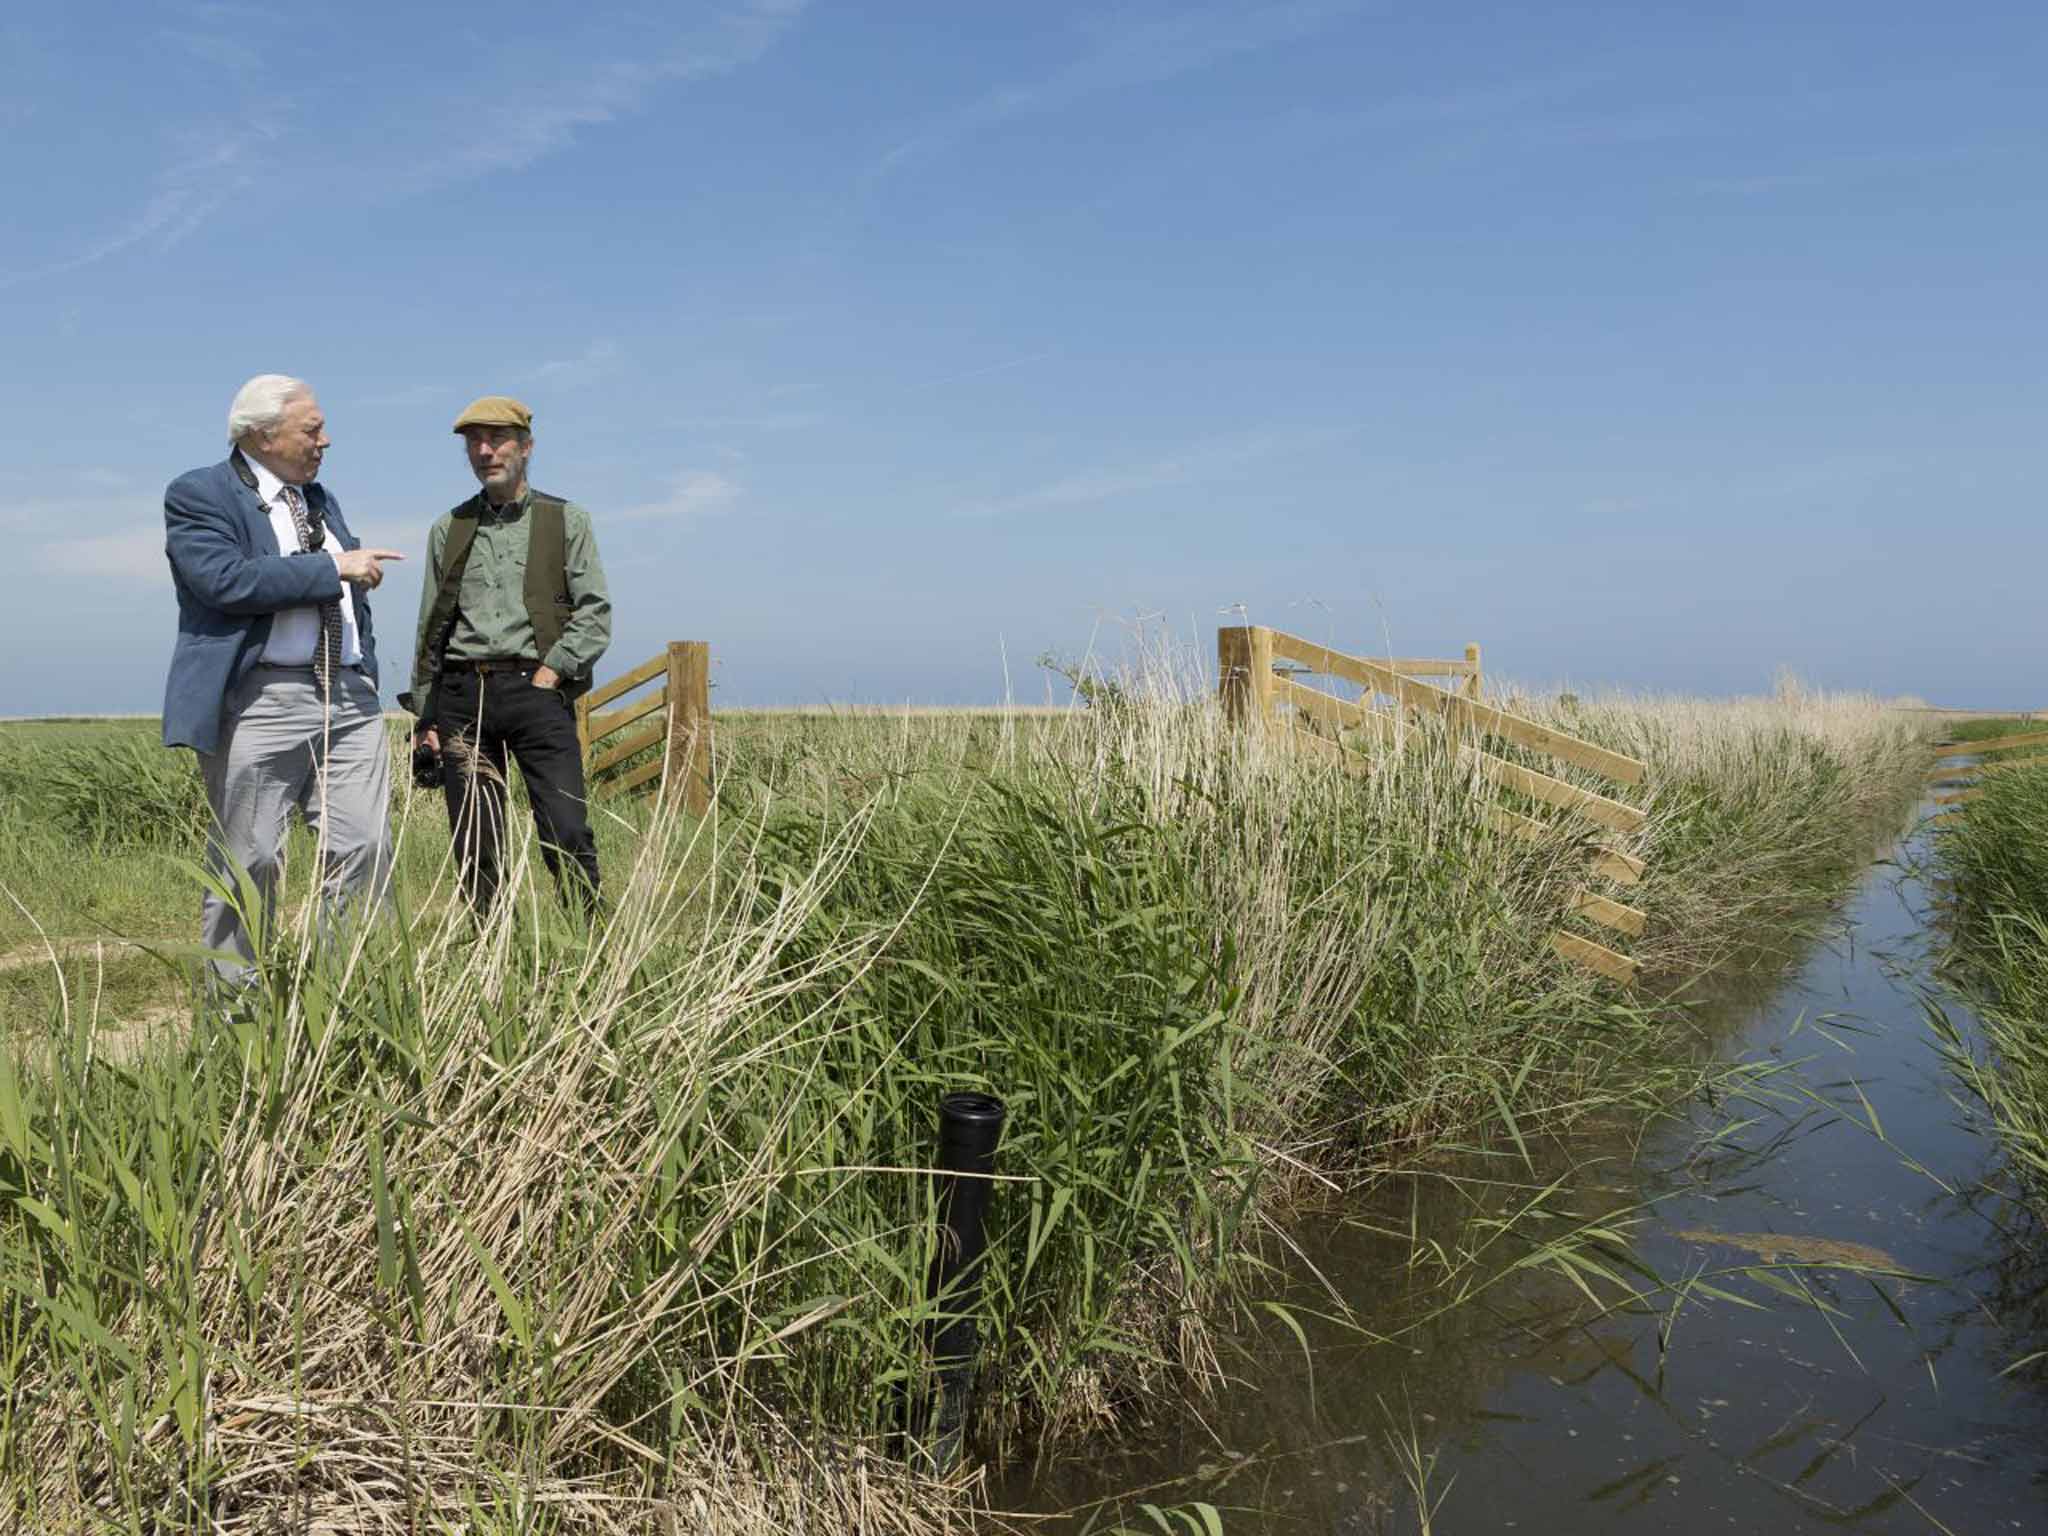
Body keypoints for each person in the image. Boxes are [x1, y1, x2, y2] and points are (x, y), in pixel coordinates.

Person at [162, 374, 404, 982]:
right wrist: (334, 567)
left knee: (364, 849)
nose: (326, 439)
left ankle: (338, 1000)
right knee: (251, 859)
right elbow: (226, 581)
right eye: (312, 428)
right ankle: (234, 1015)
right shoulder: (199, 494)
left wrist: (366, 666)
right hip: (261, 697)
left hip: (348, 697)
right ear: (263, 434)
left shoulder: (319, 499)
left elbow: (347, 592)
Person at [407, 395, 611, 915]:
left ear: (526, 447)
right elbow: (431, 627)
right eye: (474, 441)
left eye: (496, 439)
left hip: (536, 691)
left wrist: (552, 672)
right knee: (475, 842)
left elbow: (595, 612)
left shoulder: (566, 520)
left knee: (566, 829)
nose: (484, 451)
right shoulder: (446, 528)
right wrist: (425, 716)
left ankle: (592, 946)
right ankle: (490, 960)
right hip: (461, 697)